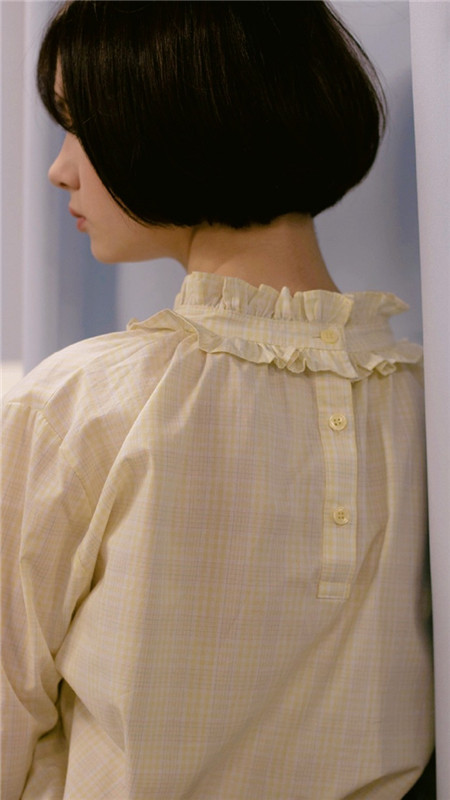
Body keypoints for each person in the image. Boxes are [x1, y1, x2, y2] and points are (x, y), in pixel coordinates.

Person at [1, 2, 434, 798]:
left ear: (179, 114)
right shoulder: (422, 404)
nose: (61, 169)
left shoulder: (83, 404)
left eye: (80, 125)